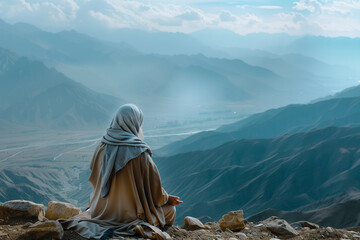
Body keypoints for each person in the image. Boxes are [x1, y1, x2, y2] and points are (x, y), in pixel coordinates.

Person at [61, 104, 182, 239]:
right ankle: (142, 228)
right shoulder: (140, 152)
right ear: (136, 122)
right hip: (128, 219)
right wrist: (167, 198)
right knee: (171, 210)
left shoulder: (101, 146)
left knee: (91, 212)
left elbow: (96, 181)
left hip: (100, 212)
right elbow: (155, 193)